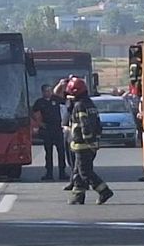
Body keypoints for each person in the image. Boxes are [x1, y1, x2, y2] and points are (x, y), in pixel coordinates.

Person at [65, 76, 114, 205]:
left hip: (83, 145)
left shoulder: (80, 105)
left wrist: (89, 141)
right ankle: (78, 196)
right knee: (77, 172)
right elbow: (97, 124)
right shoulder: (89, 104)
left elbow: (85, 125)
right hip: (88, 145)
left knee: (85, 172)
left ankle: (104, 191)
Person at [31, 84, 67, 181]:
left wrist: (61, 86)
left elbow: (65, 102)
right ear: (43, 92)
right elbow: (33, 113)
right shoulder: (39, 102)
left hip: (57, 129)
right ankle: (49, 173)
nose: (49, 92)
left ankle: (62, 173)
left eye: (50, 90)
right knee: (48, 152)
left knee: (61, 152)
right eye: (47, 91)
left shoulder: (56, 99)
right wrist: (40, 123)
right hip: (47, 130)